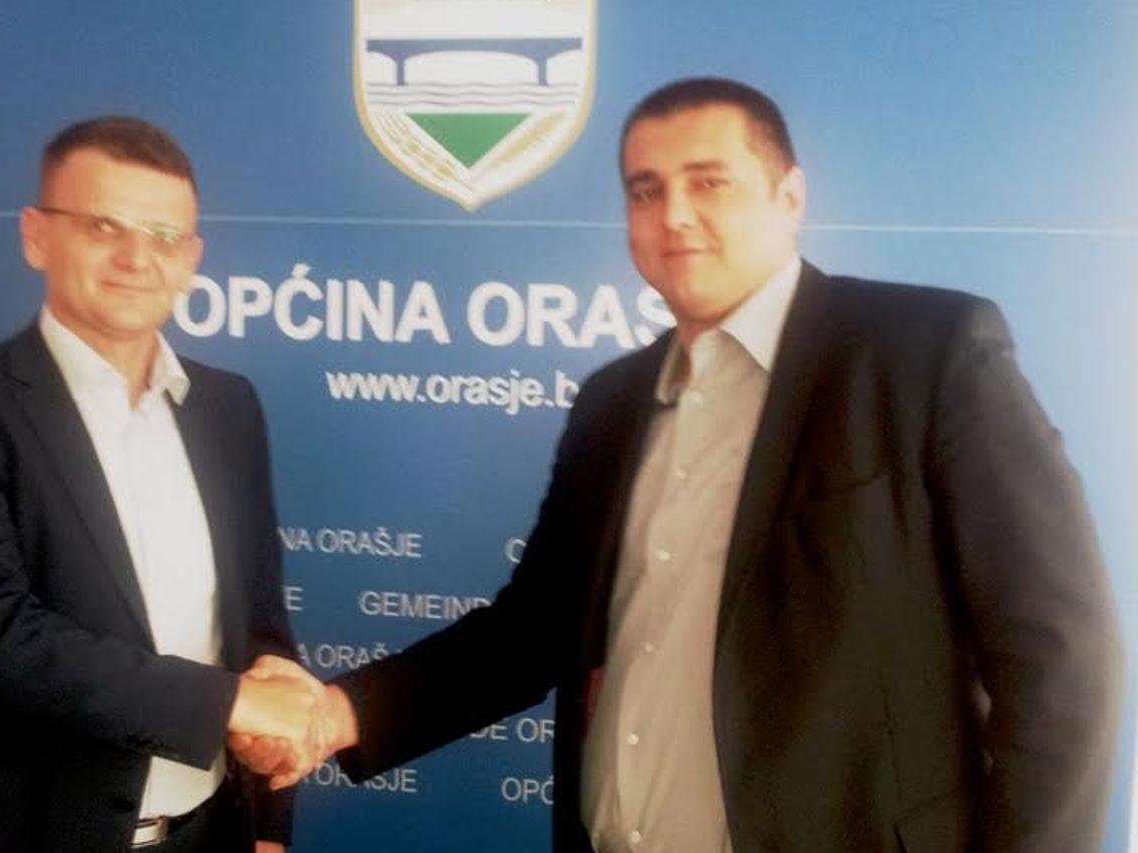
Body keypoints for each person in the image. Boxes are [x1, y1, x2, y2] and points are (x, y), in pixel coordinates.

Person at [237, 78, 1125, 852]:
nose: (674, 216)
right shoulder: (614, 401)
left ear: (789, 196)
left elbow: (1060, 654)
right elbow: (530, 631)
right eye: (646, 190)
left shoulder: (922, 352)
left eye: (709, 182)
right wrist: (338, 714)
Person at [0, 116, 316, 853]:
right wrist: (234, 703)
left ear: (192, 258)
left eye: (165, 236)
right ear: (37, 236)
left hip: (210, 832)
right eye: (103, 226)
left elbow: (259, 624)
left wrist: (269, 824)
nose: (136, 258)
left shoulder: (228, 406)